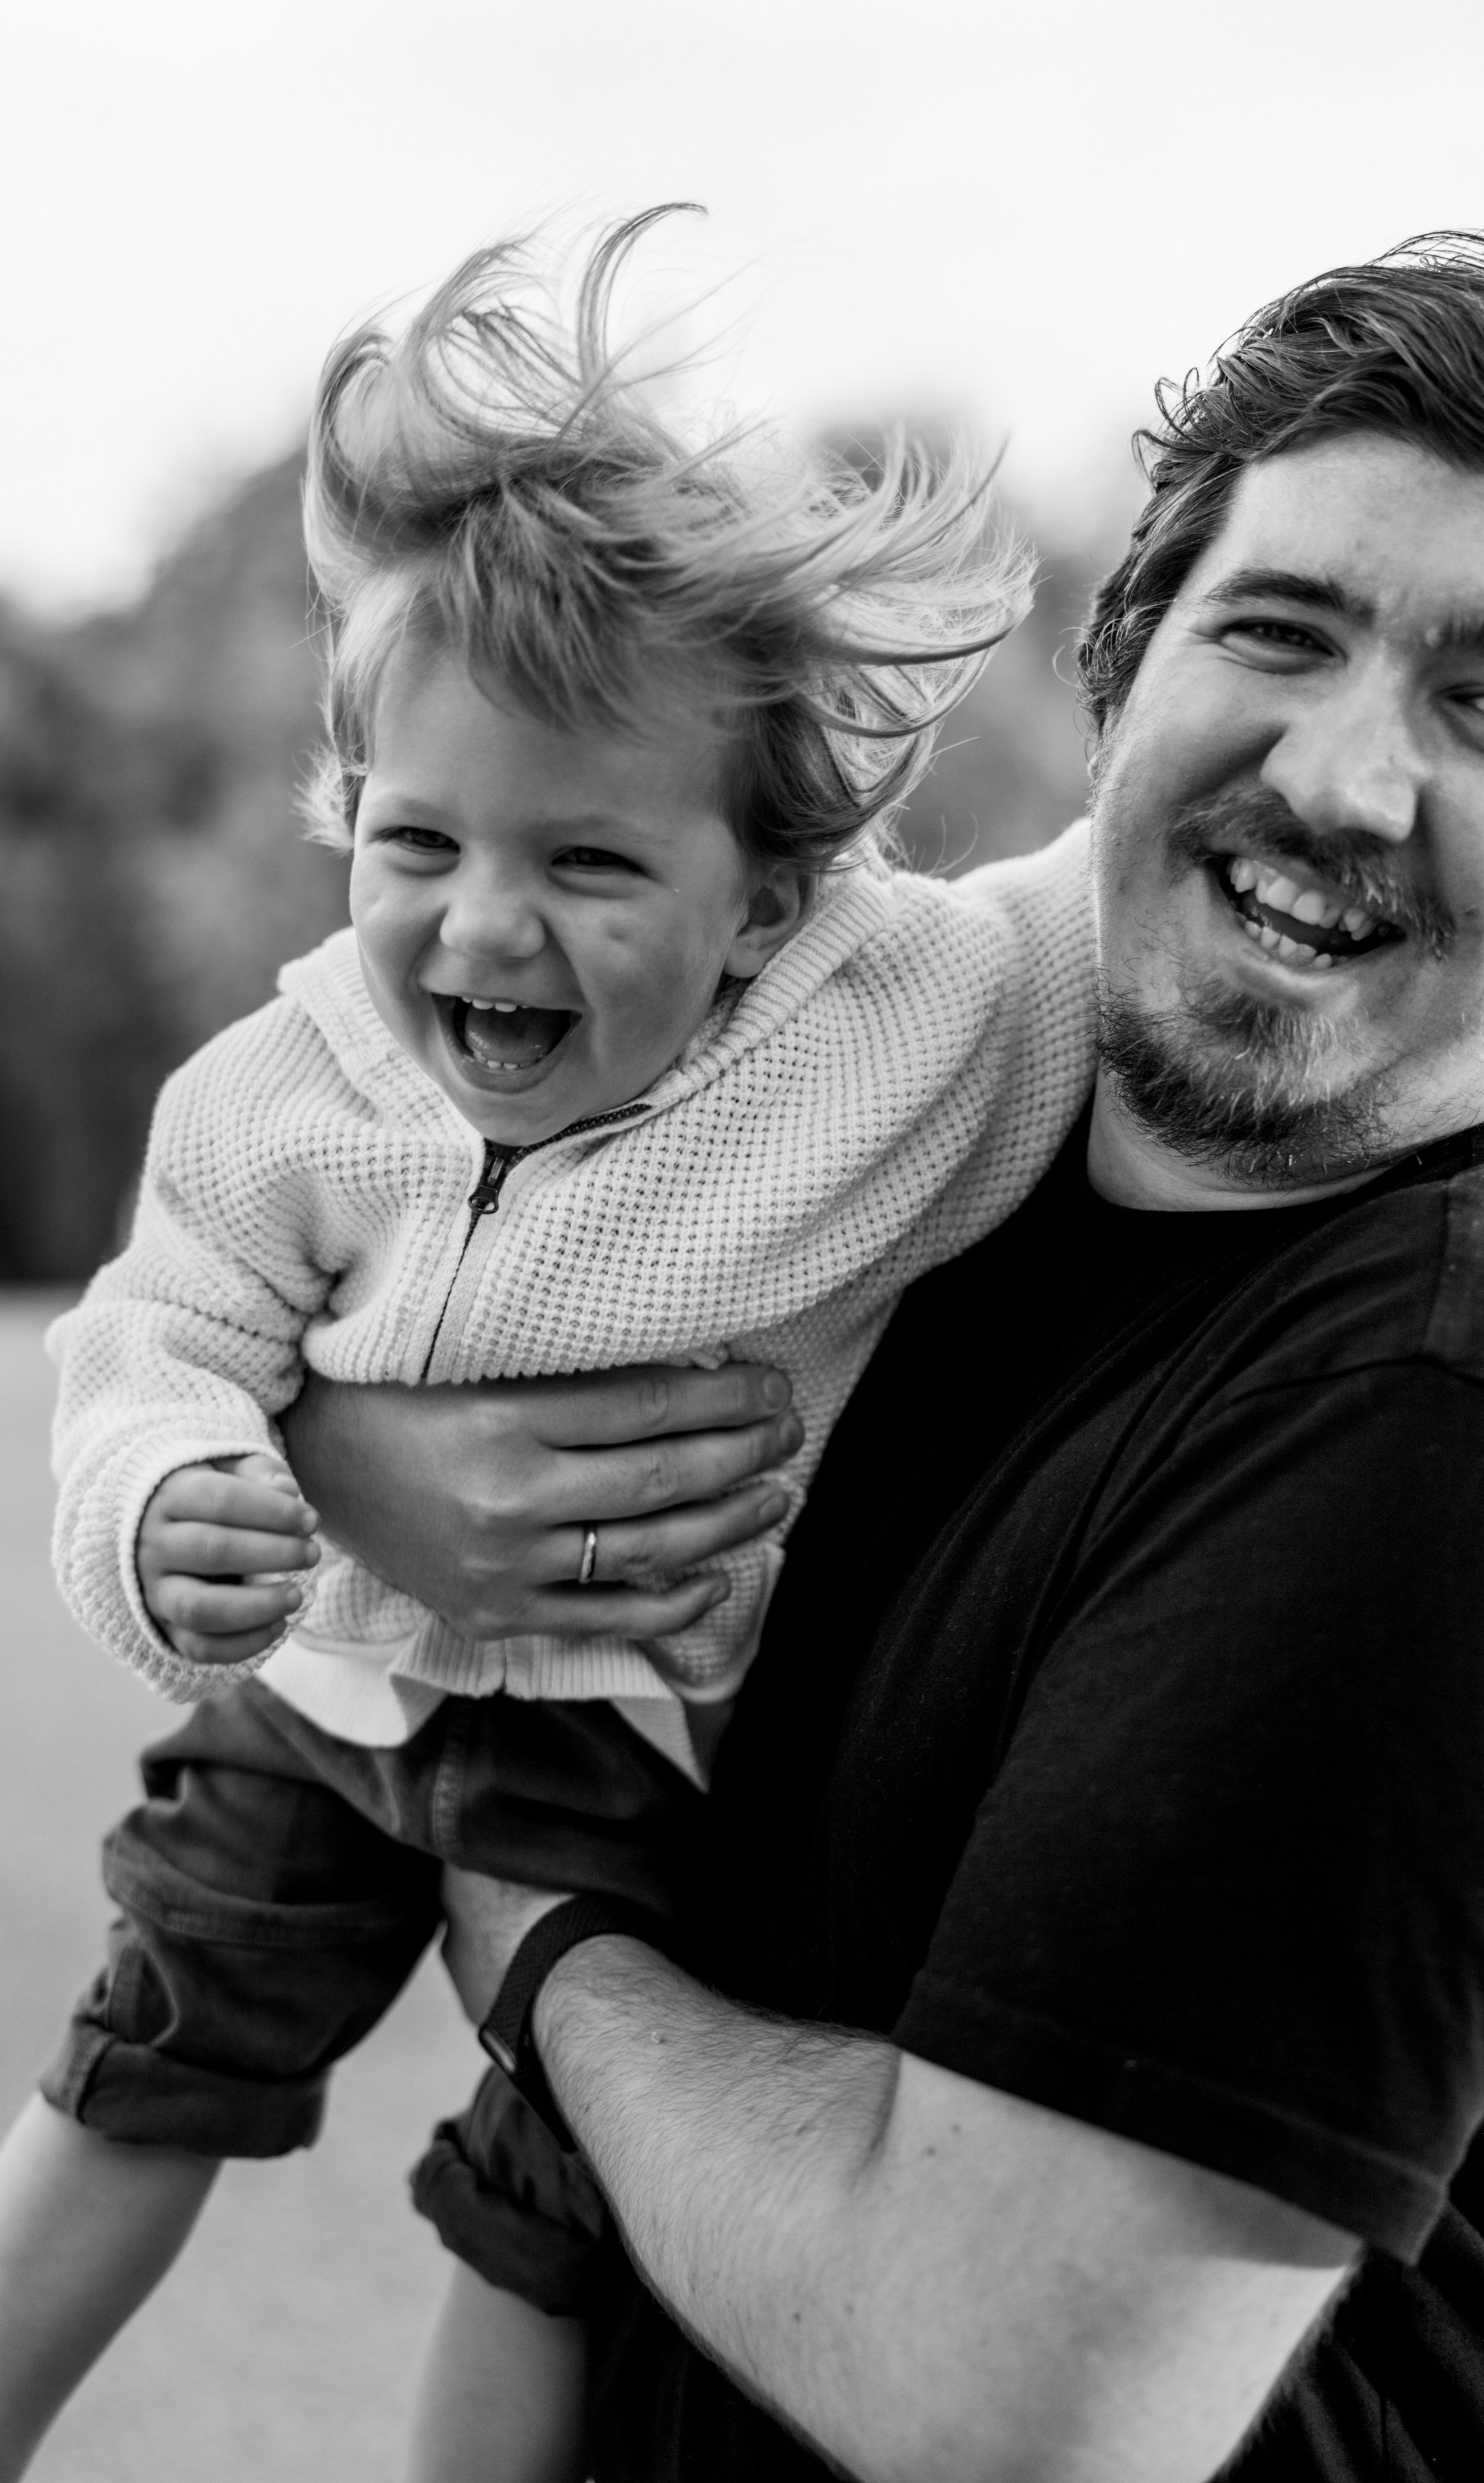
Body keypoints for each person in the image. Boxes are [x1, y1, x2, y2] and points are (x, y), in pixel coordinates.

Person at [0, 215, 1100, 2483]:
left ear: (771, 899)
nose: (480, 924)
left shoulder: (912, 1027)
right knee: (154, 2042)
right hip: (332, 1688)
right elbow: (151, 1340)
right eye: (415, 840)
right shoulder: (282, 1093)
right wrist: (161, 1504)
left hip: (648, 1740)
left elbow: (1125, 903)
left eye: (592, 865)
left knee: (560, 2204)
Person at [241, 230, 1484, 2483]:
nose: (1345, 777)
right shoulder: (938, 1149)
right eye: (1277, 632)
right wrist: (347, 1444)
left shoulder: (1417, 1404)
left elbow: (1013, 2405)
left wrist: (544, 1948)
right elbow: (427, 1218)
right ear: (1129, 669)